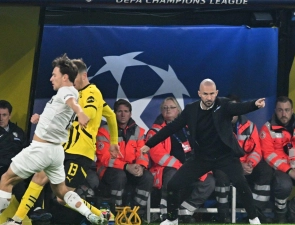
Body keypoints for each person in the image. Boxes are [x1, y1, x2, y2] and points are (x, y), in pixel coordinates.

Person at [8, 58, 120, 224]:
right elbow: (111, 115)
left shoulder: (92, 93)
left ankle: (102, 215)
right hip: (62, 148)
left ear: (84, 76)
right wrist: (114, 142)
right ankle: (17, 220)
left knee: (62, 197)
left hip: (80, 153)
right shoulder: (74, 94)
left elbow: (85, 117)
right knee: (39, 177)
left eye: (74, 78)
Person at [141, 78, 265, 225]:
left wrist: (254, 105)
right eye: (205, 94)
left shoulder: (224, 104)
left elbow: (239, 108)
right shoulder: (191, 110)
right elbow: (171, 128)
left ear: (216, 93)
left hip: (225, 156)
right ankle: (172, 219)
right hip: (201, 157)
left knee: (241, 184)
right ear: (199, 93)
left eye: (212, 94)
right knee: (173, 185)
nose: (209, 97)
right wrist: (149, 144)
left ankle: (253, 218)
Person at [147, 97, 215, 223]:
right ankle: (167, 214)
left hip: (190, 166)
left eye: (171, 107)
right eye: (165, 108)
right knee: (173, 175)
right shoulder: (155, 130)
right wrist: (180, 166)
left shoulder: (189, 127)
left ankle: (185, 212)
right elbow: (157, 155)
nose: (168, 110)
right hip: (166, 170)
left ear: (178, 110)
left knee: (209, 180)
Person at [213, 95, 273, 223]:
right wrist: (240, 166)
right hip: (225, 166)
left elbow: (256, 151)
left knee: (265, 170)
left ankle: (256, 211)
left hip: (246, 166)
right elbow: (218, 153)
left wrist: (250, 164)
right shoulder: (216, 126)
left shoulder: (249, 126)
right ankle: (223, 215)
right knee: (220, 175)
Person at [96, 99, 153, 217]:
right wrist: (126, 166)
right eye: (119, 111)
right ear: (114, 113)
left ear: (130, 114)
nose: (123, 114)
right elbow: (105, 158)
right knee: (119, 176)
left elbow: (142, 152)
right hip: (109, 171)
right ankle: (116, 212)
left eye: (126, 111)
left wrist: (140, 166)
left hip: (131, 169)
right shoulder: (105, 131)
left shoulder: (138, 131)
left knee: (147, 177)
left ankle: (136, 213)